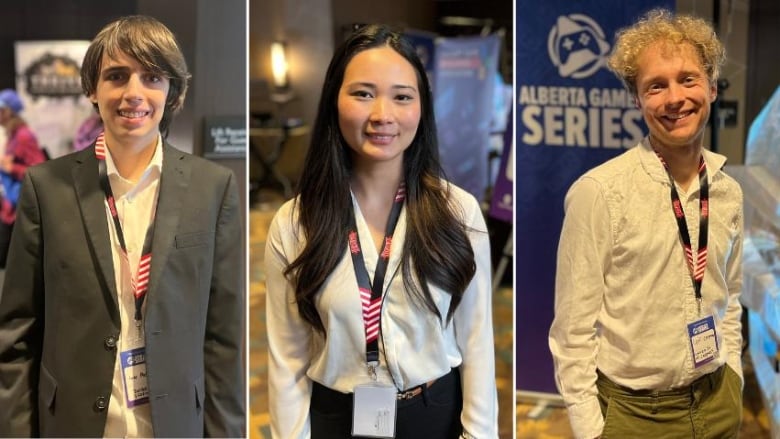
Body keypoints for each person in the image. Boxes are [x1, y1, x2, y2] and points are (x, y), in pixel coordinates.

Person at [0, 15, 244, 437]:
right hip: (72, 422)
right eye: (117, 76)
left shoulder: (213, 188)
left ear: (173, 91)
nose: (134, 93)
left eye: (152, 76)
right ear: (93, 90)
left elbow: (223, 340)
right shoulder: (46, 188)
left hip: (174, 424)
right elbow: (17, 334)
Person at [265, 24, 498, 438]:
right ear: (334, 101)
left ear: (421, 108)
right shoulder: (295, 221)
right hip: (336, 417)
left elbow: (476, 339)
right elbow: (287, 358)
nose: (382, 115)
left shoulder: (457, 211)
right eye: (363, 93)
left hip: (434, 413)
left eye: (402, 97)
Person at [549, 9, 743, 439]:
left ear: (711, 88)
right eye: (656, 86)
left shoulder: (728, 191)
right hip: (636, 416)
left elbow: (731, 295)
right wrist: (592, 430)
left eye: (688, 79)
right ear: (637, 100)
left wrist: (733, 375)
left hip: (717, 402)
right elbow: (572, 331)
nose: (675, 98)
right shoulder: (600, 192)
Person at [0, 88, 46, 267]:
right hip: (11, 205)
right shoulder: (14, 134)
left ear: (8, 112)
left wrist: (12, 167)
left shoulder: (23, 135)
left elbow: (38, 169)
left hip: (20, 204)